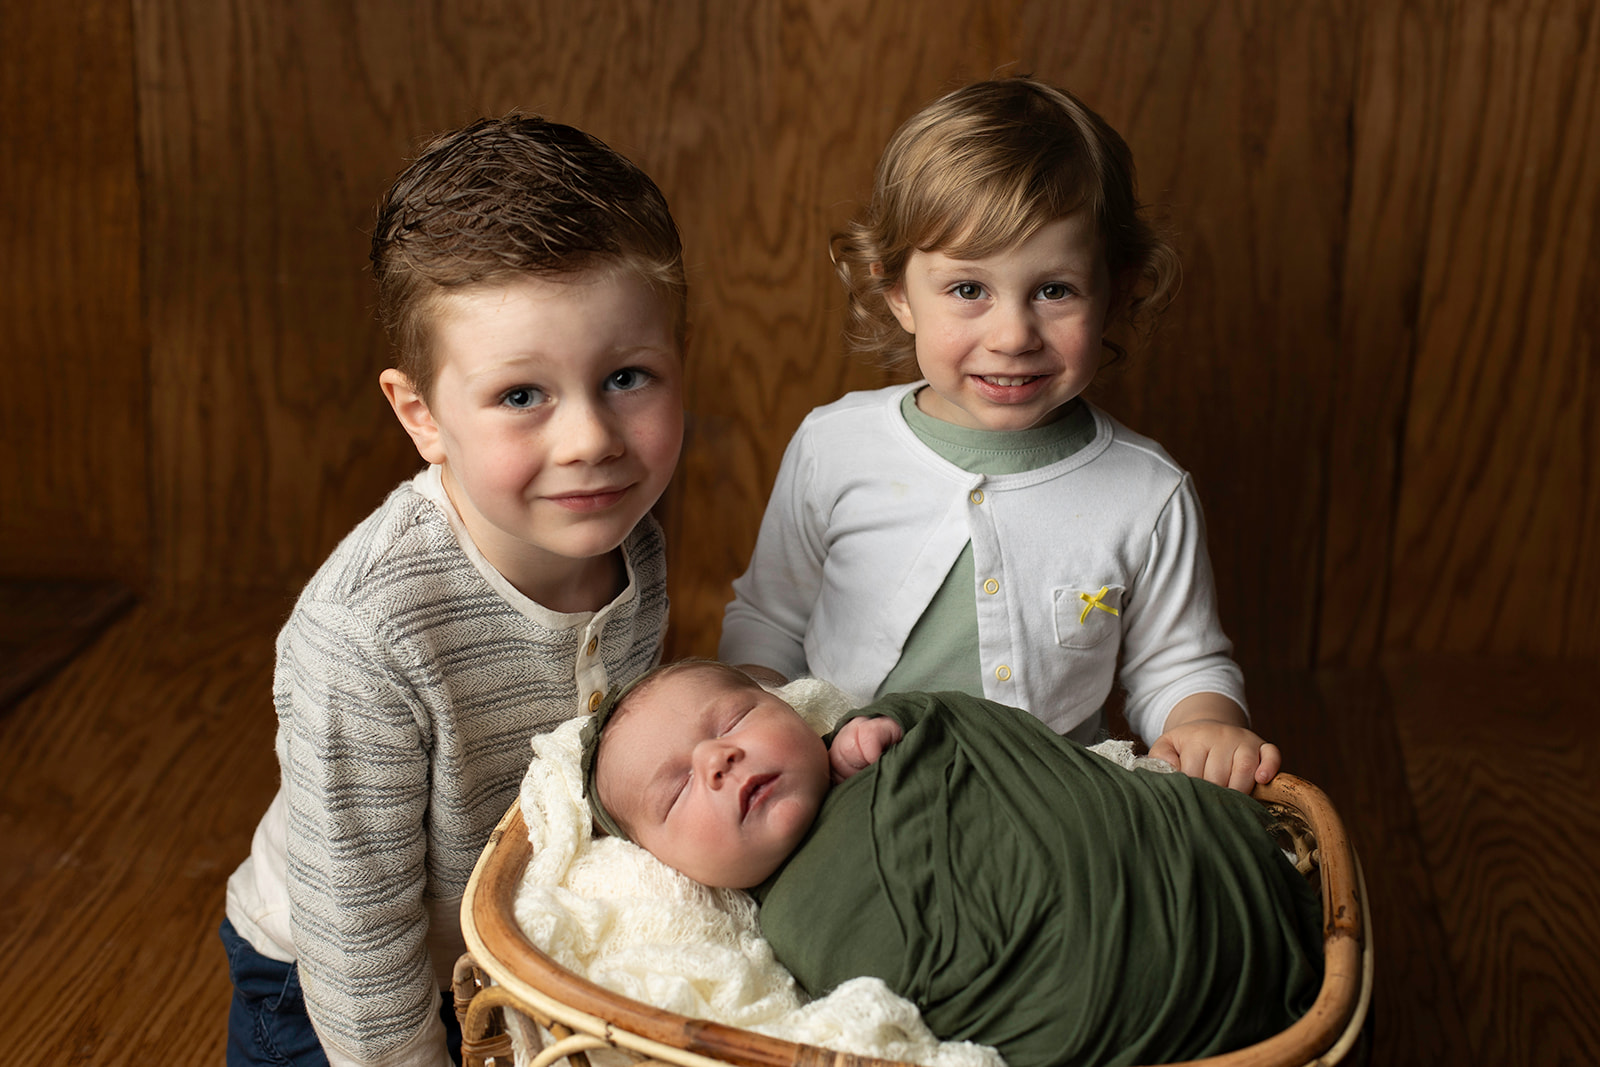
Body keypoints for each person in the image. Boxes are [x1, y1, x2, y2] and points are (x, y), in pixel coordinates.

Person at [221, 114, 688, 1067]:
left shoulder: (626, 530)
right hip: (334, 989)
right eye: (523, 395)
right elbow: (358, 936)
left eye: (628, 377)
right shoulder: (369, 633)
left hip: (509, 952)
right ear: (422, 414)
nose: (590, 439)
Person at [718, 77, 1275, 792]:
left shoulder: (1147, 492)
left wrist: (1205, 723)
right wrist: (765, 714)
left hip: (1052, 800)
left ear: (1117, 288)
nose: (1012, 336)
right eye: (968, 289)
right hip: (844, 790)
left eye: (1055, 290)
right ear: (896, 292)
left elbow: (1180, 662)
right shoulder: (836, 447)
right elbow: (770, 620)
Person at [583, 660, 1324, 1067]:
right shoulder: (771, 944)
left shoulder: (899, 736)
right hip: (1088, 1019)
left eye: (736, 719)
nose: (718, 758)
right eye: (677, 788)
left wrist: (888, 723)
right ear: (667, 867)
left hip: (1222, 890)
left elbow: (1002, 745)